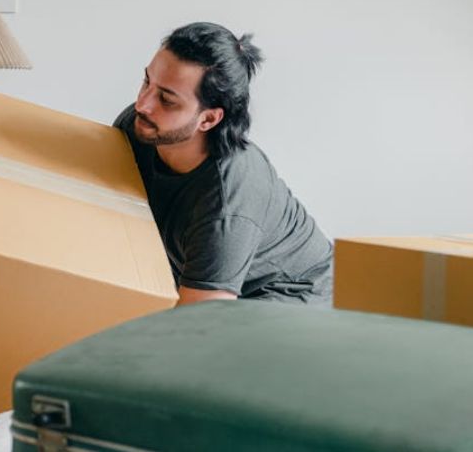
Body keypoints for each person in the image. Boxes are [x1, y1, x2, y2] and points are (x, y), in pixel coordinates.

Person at [113, 22, 332, 305]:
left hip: (293, 296)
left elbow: (201, 325)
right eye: (147, 82)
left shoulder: (226, 202)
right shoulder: (140, 127)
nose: (143, 104)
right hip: (217, 282)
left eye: (166, 99)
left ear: (209, 119)